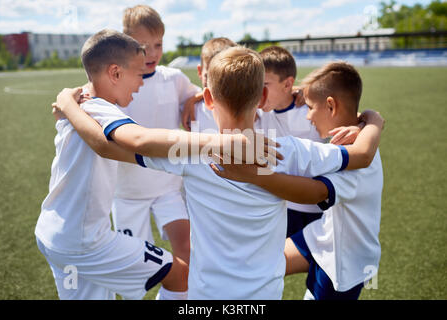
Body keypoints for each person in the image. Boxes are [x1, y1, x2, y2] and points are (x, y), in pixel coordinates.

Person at [54, 47, 384, 299]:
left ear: (208, 99)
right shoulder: (289, 151)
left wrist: (72, 106)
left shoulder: (188, 153)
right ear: (264, 96)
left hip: (206, 294)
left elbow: (105, 145)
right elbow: (361, 155)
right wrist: (371, 119)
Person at [36, 30, 273, 300]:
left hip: (56, 233)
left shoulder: (78, 106)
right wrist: (219, 142)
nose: (140, 84)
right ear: (115, 73)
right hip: (85, 242)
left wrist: (67, 102)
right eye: (138, 74)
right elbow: (140, 139)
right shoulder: (98, 108)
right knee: (179, 275)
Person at [212, 61, 384, 300]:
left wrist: (253, 176)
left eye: (311, 107)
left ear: (331, 106)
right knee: (256, 264)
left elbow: (316, 193)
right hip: (321, 235)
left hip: (344, 260)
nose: (308, 115)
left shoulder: (359, 154)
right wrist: (371, 119)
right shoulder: (354, 135)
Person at [112, 5, 200, 273]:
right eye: (142, 46)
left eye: (158, 44)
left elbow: (201, 95)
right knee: (133, 266)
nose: (151, 53)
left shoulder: (173, 78)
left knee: (186, 249)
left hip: (168, 186)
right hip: (128, 192)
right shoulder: (116, 82)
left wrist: (193, 98)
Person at [257, 46, 363, 237]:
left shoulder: (310, 110)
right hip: (280, 207)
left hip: (320, 209)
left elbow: (348, 117)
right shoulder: (257, 113)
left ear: (288, 84)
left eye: (264, 84)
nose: (259, 91)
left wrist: (364, 124)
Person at [182, 37, 237, 133]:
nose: (215, 85)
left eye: (224, 77)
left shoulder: (250, 107)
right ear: (200, 71)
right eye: (209, 76)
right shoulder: (193, 109)